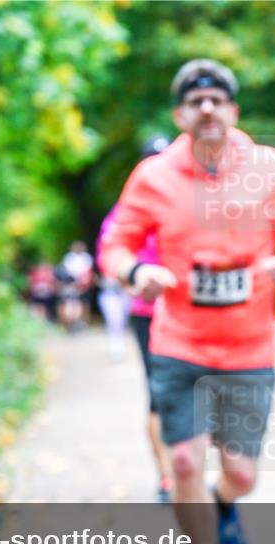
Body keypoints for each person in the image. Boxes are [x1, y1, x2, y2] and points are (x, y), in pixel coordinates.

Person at [99, 58, 275, 544]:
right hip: (179, 341)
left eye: (218, 98)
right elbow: (116, 245)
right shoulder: (153, 176)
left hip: (250, 345)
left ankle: (223, 504)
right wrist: (135, 274)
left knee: (242, 473)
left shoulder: (270, 168)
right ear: (180, 114)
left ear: (234, 111)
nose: (207, 108)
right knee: (182, 458)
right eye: (195, 100)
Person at [95, 134, 174, 502]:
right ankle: (167, 478)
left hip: (191, 314)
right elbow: (109, 254)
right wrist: (131, 277)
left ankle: (189, 472)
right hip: (148, 315)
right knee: (159, 395)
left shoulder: (189, 202)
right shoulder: (129, 208)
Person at [56, 241, 94, 331]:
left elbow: (88, 272)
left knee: (84, 304)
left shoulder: (87, 258)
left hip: (84, 284)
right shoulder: (69, 258)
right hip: (71, 284)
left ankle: (83, 322)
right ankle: (71, 323)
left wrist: (85, 281)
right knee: (71, 304)